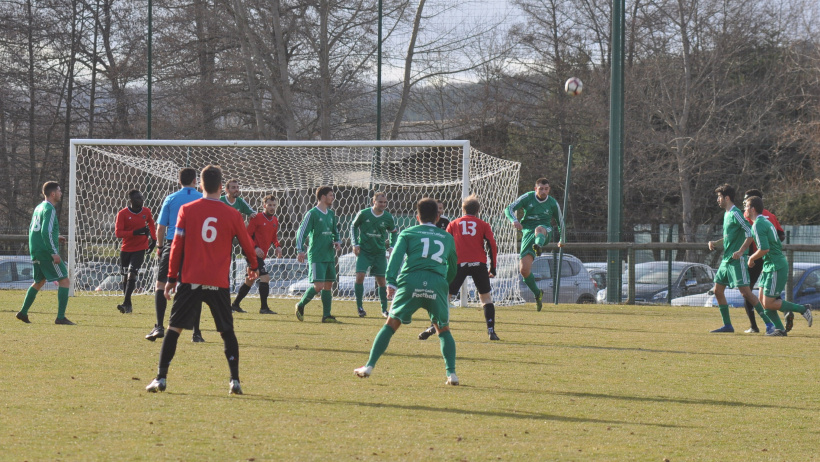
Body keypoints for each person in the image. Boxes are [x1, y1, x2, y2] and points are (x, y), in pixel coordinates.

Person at [146, 165, 258, 395]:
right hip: (218, 281)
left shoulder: (187, 210)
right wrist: (253, 267)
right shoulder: (233, 214)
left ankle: (161, 378)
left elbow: (176, 246)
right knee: (227, 331)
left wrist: (171, 278)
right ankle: (234, 380)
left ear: (200, 186)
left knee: (174, 329)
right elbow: (247, 244)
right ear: (220, 186)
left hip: (191, 279)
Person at [354, 198, 459, 385]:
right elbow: (453, 266)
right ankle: (451, 374)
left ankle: (369, 366)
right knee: (443, 329)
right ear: (437, 217)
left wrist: (391, 282)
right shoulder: (448, 237)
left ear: (417, 216)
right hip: (437, 283)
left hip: (411, 282)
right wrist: (446, 283)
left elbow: (395, 258)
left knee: (390, 324)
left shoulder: (408, 233)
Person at [419, 194, 500, 341]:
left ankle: (434, 325)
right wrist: (493, 267)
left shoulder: (454, 223)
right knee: (486, 298)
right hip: (478, 263)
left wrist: (443, 264)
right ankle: (491, 331)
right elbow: (491, 244)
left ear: (463, 209)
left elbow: (445, 244)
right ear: (478, 210)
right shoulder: (483, 224)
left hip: (458, 264)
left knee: (446, 297)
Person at [146, 168, 204, 343]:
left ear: (180, 181)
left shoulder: (171, 198)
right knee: (195, 287)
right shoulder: (202, 199)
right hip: (194, 246)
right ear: (195, 181)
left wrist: (160, 246)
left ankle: (159, 326)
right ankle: (196, 332)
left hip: (173, 244)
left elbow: (161, 227)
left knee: (161, 284)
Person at [745, 195, 812, 336]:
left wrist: (751, 258)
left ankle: (803, 309)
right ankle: (780, 329)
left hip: (776, 266)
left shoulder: (758, 224)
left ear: (752, 209)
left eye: (746, 206)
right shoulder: (762, 221)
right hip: (769, 266)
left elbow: (764, 249)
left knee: (769, 302)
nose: (744, 208)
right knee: (764, 302)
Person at [706, 184, 766, 333]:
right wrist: (716, 243)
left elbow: (750, 233)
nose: (717, 200)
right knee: (718, 291)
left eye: (719, 197)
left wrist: (741, 252)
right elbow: (729, 239)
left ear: (727, 198)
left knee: (746, 293)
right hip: (726, 260)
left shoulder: (736, 213)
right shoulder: (727, 214)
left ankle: (770, 324)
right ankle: (728, 325)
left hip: (737, 260)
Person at [16, 181, 73, 325]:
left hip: (36, 249)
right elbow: (45, 231)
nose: (61, 193)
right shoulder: (50, 209)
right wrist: (54, 252)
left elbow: (34, 230)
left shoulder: (38, 207)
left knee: (39, 281)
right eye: (59, 191)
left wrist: (56, 237)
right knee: (64, 280)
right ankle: (60, 317)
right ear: (53, 194)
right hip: (46, 252)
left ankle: (23, 312)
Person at [504, 178, 562, 312]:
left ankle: (539, 246)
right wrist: (514, 220)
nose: (543, 191)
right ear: (535, 189)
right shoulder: (528, 197)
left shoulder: (552, 203)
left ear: (549, 189)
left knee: (539, 229)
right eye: (541, 188)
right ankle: (537, 293)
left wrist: (562, 239)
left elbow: (560, 222)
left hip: (544, 231)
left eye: (546, 189)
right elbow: (509, 208)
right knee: (524, 270)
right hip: (528, 232)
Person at [294, 186, 342, 323]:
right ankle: (300, 305)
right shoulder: (312, 213)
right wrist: (300, 250)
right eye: (330, 195)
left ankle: (326, 315)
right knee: (318, 286)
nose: (332, 197)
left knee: (328, 285)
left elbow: (335, 232)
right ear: (322, 197)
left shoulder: (331, 214)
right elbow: (301, 233)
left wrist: (337, 241)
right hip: (316, 255)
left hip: (328, 255)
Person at [741, 188, 784, 334]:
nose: (744, 206)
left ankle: (755, 326)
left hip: (757, 256)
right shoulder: (770, 216)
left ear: (753, 206)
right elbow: (781, 235)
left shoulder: (751, 218)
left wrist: (751, 256)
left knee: (747, 292)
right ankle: (780, 320)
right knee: (768, 296)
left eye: (746, 202)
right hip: (769, 259)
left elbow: (743, 236)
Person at [231, 195, 283, 314]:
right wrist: (255, 248)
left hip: (260, 254)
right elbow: (247, 235)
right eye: (269, 205)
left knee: (250, 279)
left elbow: (274, 237)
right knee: (265, 277)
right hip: (251, 252)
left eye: (274, 205)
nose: (272, 207)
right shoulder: (257, 218)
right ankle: (264, 308)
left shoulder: (275, 220)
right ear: (264, 205)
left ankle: (235, 305)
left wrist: (278, 246)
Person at [350, 191, 398, 318]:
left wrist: (392, 246)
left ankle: (384, 309)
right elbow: (353, 226)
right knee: (360, 276)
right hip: (364, 252)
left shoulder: (388, 217)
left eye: (385, 202)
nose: (383, 204)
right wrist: (355, 244)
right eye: (380, 202)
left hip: (379, 252)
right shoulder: (363, 213)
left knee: (382, 281)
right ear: (374, 202)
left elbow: (394, 232)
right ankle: (360, 307)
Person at [114, 189, 157, 314]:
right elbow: (118, 233)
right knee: (125, 277)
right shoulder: (122, 214)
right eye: (138, 198)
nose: (141, 200)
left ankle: (125, 303)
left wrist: (153, 239)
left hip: (140, 248)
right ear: (131, 200)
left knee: (132, 273)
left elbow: (151, 224)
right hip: (126, 249)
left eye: (142, 197)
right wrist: (135, 232)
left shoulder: (146, 211)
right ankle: (128, 304)